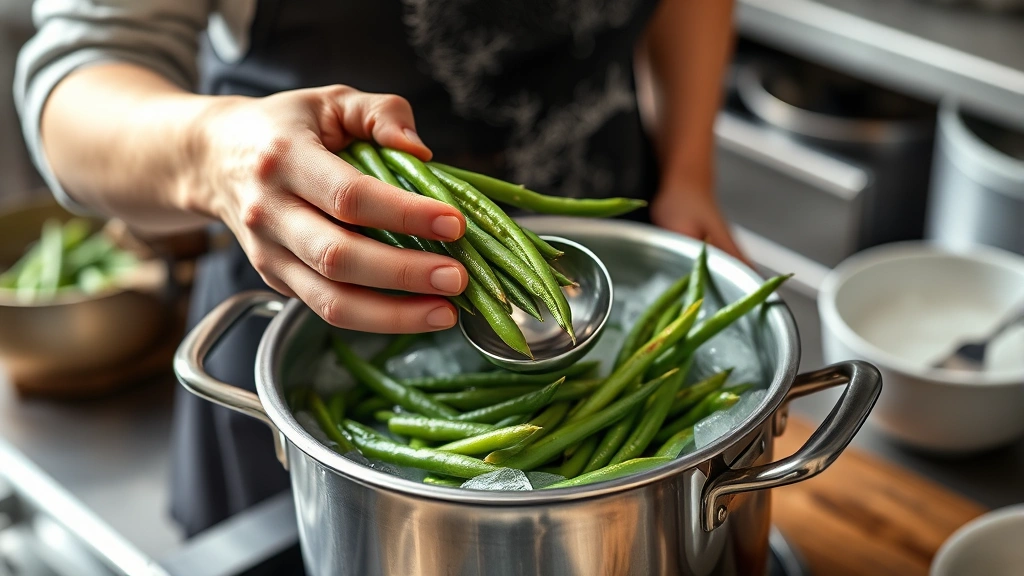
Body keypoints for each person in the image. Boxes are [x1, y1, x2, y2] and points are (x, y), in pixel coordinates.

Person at [15, 0, 743, 537]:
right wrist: (219, 155)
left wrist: (689, 168)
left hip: (600, 273)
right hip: (309, 306)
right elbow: (73, 88)